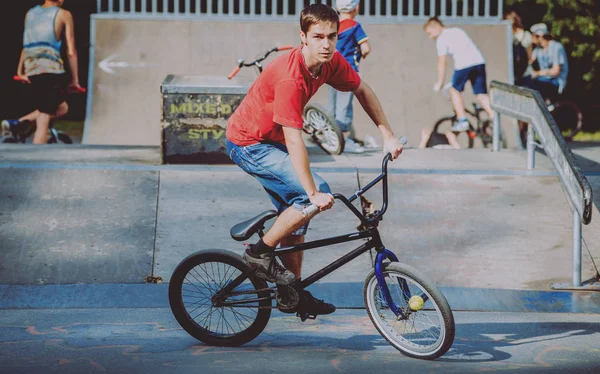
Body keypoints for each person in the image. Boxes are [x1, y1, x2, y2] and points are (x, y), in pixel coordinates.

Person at [225, 3, 404, 317]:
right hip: (249, 142)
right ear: (303, 37)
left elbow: (362, 89)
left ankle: (290, 290)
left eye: (332, 37)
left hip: (271, 140)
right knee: (312, 193)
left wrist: (387, 134)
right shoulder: (289, 77)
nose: (326, 44)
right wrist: (312, 193)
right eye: (318, 36)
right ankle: (258, 253)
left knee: (298, 217)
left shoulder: (331, 62)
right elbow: (295, 140)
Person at [1, 0, 81, 144]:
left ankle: (18, 124)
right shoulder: (63, 14)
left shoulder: (30, 13)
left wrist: (20, 71)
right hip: (50, 70)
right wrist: (75, 80)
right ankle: (36, 158)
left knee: (61, 107)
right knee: (44, 118)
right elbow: (71, 51)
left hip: (32, 68)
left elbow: (26, 45)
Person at [424, 17, 495, 132]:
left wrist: (440, 83)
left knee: (454, 91)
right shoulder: (458, 30)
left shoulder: (441, 39)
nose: (430, 37)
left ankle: (462, 120)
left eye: (430, 33)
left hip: (464, 65)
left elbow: (442, 62)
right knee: (481, 94)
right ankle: (493, 116)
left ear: (436, 27)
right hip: (479, 62)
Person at [327, 0, 371, 153]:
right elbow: (366, 48)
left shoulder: (333, 25)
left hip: (330, 70)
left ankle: (329, 138)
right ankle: (343, 141)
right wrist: (360, 54)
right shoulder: (355, 26)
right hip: (348, 71)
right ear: (356, 8)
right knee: (344, 106)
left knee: (332, 104)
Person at [518, 23, 569, 146]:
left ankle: (546, 102)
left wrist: (539, 73)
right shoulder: (538, 50)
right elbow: (529, 61)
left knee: (533, 80)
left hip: (556, 81)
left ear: (540, 36)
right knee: (526, 81)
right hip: (544, 80)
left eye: (534, 37)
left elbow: (556, 71)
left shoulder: (556, 47)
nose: (532, 40)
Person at [504, 10, 533, 84]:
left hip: (511, 71)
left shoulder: (506, 35)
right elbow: (529, 55)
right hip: (524, 72)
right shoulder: (526, 35)